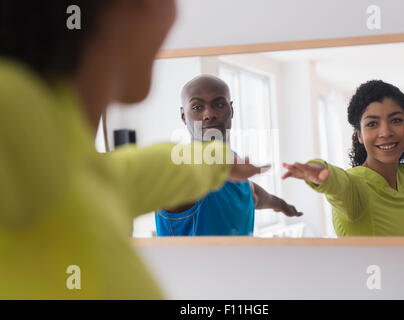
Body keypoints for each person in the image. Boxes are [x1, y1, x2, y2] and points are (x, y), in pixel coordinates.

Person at [0, 0, 265, 299]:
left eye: (218, 104)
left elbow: (156, 169)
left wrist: (220, 161)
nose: (173, 12)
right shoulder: (12, 110)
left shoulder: (73, 162)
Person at [282, 80, 404, 236]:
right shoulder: (356, 187)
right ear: (360, 135)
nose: (386, 132)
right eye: (372, 124)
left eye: (396, 120)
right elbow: (340, 185)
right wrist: (321, 171)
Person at [155, 75, 302, 236]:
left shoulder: (234, 167)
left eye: (218, 104)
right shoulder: (181, 168)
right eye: (197, 107)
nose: (209, 114)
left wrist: (281, 205)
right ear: (183, 115)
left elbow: (254, 195)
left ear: (231, 110)